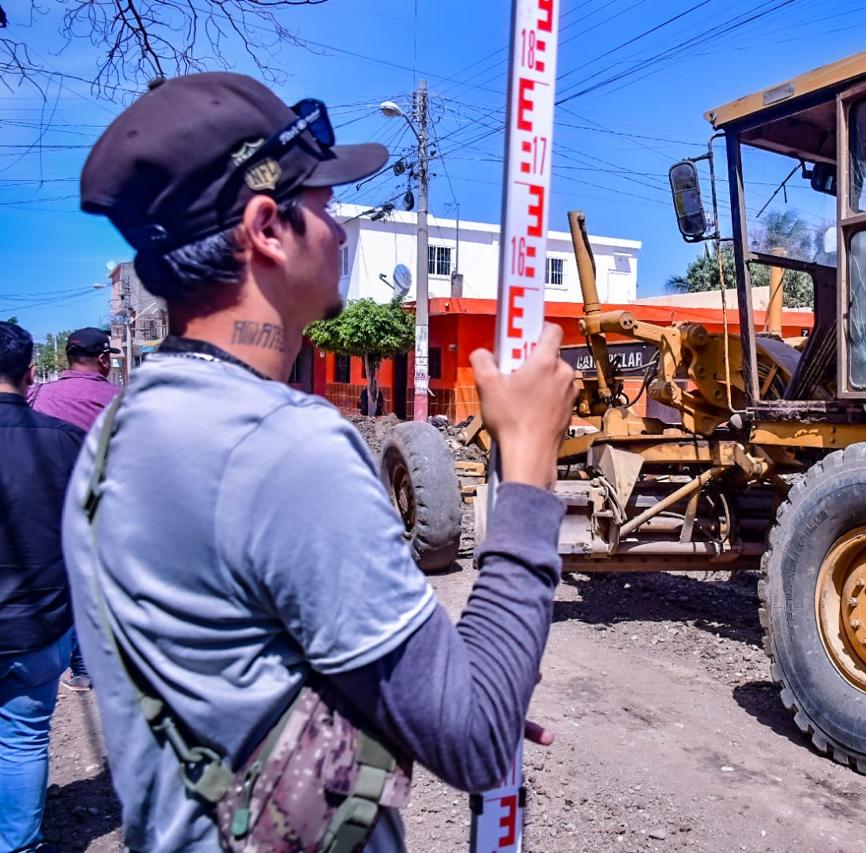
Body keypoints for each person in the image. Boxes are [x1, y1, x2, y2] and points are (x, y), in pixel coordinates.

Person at [65, 72, 576, 850]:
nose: (339, 232)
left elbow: (234, 663)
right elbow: (476, 742)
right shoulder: (284, 446)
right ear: (269, 227)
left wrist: (437, 688)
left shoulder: (115, 440)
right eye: (327, 206)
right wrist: (532, 466)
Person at [0, 320, 85, 852]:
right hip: (41, 624)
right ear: (31, 374)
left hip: (42, 620)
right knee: (23, 740)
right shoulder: (67, 443)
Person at [28, 326, 121, 692]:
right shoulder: (120, 399)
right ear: (102, 359)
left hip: (46, 507)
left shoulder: (38, 395)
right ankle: (86, 667)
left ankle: (65, 663)